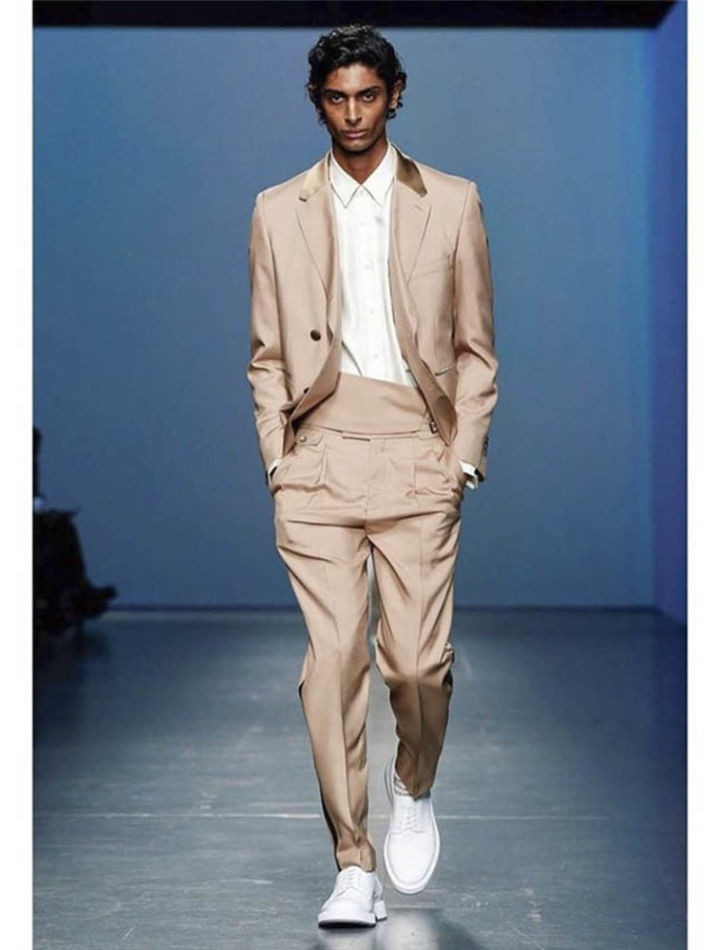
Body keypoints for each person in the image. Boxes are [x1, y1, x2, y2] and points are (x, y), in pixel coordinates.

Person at [246, 23, 498, 927]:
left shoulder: (453, 201)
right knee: (332, 665)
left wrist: (460, 454)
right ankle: (352, 862)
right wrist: (279, 457)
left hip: (416, 453)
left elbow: (475, 345)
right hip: (317, 455)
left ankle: (412, 783)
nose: (352, 114)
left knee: (419, 665)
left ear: (395, 95)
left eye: (366, 96)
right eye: (335, 98)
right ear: (316, 103)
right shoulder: (275, 209)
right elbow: (267, 351)